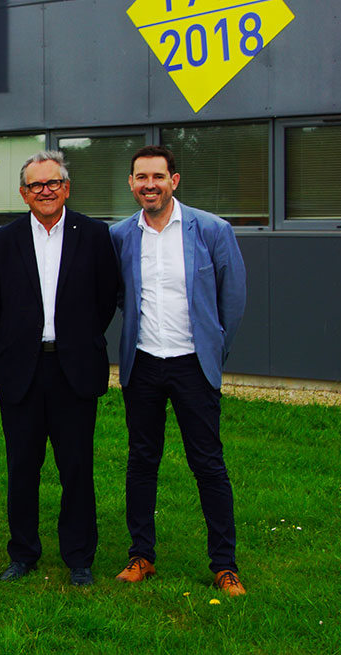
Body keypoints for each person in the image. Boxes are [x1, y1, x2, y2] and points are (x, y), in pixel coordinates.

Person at [110, 145, 248, 596]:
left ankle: (224, 565)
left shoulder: (210, 229)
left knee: (208, 465)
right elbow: (118, 297)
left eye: (158, 176)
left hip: (193, 366)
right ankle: (141, 555)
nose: (149, 184)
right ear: (131, 183)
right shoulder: (120, 236)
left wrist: (213, 353)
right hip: (143, 364)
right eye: (140, 177)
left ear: (175, 180)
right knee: (141, 462)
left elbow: (233, 299)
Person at [0, 150, 119, 587]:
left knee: (76, 466)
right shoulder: (2, 241)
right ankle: (23, 554)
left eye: (53, 183)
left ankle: (79, 557)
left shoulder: (95, 235)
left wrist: (74, 339)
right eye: (36, 185)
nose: (45, 191)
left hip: (73, 368)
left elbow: (105, 300)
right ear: (24, 193)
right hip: (22, 368)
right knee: (22, 466)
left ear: (66, 188)